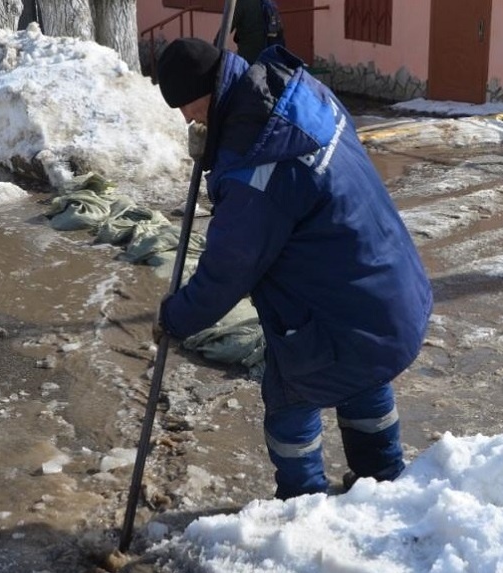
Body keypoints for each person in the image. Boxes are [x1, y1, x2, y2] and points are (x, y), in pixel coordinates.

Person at [152, 37, 434, 500]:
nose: (187, 118)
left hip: (341, 313)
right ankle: (383, 488)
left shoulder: (258, 160)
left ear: (207, 89)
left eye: (188, 106)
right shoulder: (297, 95)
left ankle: (302, 512)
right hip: (387, 293)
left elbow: (228, 270)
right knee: (362, 376)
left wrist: (173, 318)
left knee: (291, 396)